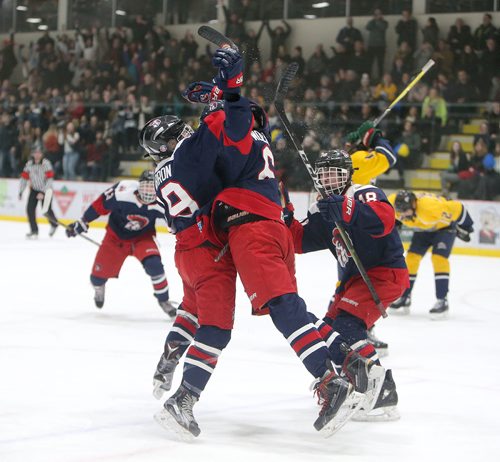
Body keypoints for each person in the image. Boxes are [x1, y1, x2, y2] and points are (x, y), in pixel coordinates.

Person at [141, 48, 369, 438]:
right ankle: (340, 359)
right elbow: (224, 131)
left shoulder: (200, 149)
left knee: (248, 311)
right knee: (271, 307)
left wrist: (225, 91)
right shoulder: (243, 139)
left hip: (227, 236)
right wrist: (224, 92)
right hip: (261, 229)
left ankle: (330, 378)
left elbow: (226, 132)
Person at [288, 149, 408, 421]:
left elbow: (384, 220)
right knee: (328, 331)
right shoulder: (320, 209)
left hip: (384, 272)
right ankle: (355, 383)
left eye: (335, 173)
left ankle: (381, 395)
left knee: (347, 326)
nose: (329, 179)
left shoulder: (363, 193)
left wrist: (346, 208)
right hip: (355, 280)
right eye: (324, 174)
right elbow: (298, 241)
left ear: (348, 175)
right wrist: (283, 214)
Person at [65, 170, 177, 317]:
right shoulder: (122, 192)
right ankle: (99, 287)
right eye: (146, 187)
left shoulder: (162, 201)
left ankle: (164, 300)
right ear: (138, 186)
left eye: (152, 188)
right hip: (115, 238)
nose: (149, 192)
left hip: (142, 238)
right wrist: (83, 221)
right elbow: (100, 204)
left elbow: (177, 220)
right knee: (96, 279)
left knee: (154, 265)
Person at [344, 121, 398, 356]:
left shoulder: (352, 160)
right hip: (361, 225)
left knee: (352, 279)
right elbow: (388, 157)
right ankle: (352, 328)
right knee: (362, 280)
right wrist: (375, 138)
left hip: (353, 223)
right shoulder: (357, 160)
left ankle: (339, 325)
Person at [388, 190, 474, 319]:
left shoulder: (431, 208)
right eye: (401, 212)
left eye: (405, 211)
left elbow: (458, 207)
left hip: (443, 229)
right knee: (411, 259)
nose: (403, 215)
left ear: (413, 205)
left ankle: (442, 300)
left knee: (439, 258)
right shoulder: (393, 201)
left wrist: (467, 227)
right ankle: (405, 296)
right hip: (423, 230)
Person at [18, 148, 58, 239]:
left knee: (46, 210)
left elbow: (50, 179)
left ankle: (54, 224)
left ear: (42, 154)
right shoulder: (29, 164)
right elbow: (24, 178)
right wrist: (21, 191)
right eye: (35, 153)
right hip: (34, 189)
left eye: (39, 153)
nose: (37, 154)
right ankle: (34, 230)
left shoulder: (46, 164)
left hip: (46, 190)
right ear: (32, 154)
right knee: (30, 210)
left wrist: (43, 192)